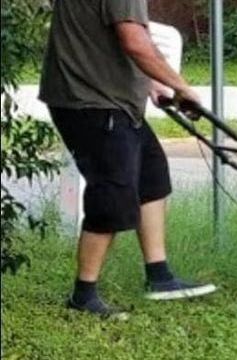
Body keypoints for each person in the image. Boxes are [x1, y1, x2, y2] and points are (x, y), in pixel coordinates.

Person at [39, 0, 217, 317]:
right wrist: (182, 87)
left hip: (106, 101)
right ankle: (83, 296)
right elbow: (134, 42)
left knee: (152, 179)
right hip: (94, 103)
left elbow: (97, 39)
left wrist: (155, 82)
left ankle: (159, 276)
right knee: (112, 195)